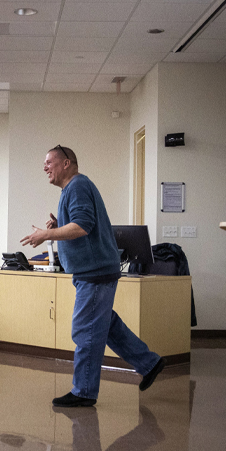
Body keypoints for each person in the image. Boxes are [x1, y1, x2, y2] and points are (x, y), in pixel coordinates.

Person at [21, 146, 165, 407]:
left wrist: (45, 234)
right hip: (96, 270)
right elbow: (78, 224)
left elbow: (82, 226)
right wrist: (57, 226)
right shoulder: (72, 189)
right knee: (105, 325)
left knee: (85, 329)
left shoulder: (77, 186)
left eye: (49, 162)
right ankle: (150, 363)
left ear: (66, 163)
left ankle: (84, 391)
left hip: (95, 272)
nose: (45, 168)